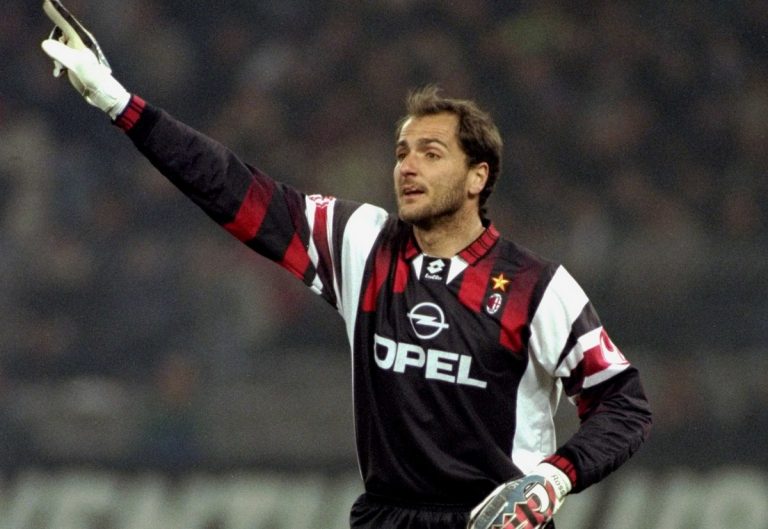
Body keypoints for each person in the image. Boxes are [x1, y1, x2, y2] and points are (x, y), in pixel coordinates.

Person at [40, 3, 652, 528]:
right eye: (402, 152)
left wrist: (553, 478)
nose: (407, 166)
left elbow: (623, 404)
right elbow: (233, 188)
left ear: (477, 177)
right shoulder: (361, 242)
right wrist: (119, 101)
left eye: (431, 153)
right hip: (386, 516)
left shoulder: (537, 287)